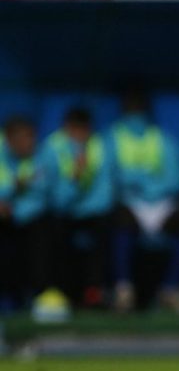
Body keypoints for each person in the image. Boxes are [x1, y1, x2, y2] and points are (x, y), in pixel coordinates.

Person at [106, 89, 179, 314]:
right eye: (130, 110)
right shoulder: (111, 138)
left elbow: (176, 179)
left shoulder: (163, 139)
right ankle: (123, 290)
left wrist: (145, 183)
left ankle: (170, 290)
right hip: (130, 203)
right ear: (123, 112)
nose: (135, 115)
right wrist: (137, 179)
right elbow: (109, 175)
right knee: (118, 220)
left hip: (162, 204)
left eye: (139, 110)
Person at [36, 107, 115, 309]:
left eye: (85, 130)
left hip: (92, 212)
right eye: (76, 130)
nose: (81, 135)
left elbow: (105, 191)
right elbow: (53, 194)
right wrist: (74, 179)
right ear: (67, 128)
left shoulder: (99, 145)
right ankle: (57, 292)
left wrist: (91, 210)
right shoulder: (52, 147)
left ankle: (94, 292)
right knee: (52, 232)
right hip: (62, 210)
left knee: (104, 231)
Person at [0, 116, 47, 312]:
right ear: (10, 139)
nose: (30, 143)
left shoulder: (41, 155)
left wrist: (16, 210)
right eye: (24, 138)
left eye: (32, 138)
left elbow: (43, 192)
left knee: (42, 228)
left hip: (29, 217)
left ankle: (36, 295)